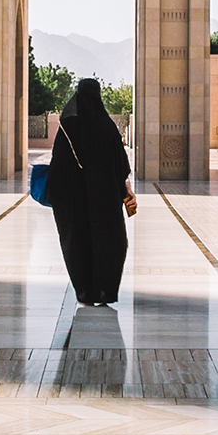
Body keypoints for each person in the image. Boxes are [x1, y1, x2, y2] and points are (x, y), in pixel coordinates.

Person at [47, 78, 135, 305]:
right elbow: (121, 164)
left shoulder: (68, 127)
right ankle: (105, 290)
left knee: (78, 240)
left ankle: (84, 291)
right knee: (110, 240)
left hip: (75, 202)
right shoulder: (107, 127)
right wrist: (125, 189)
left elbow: (57, 165)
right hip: (105, 200)